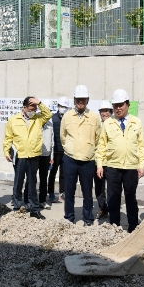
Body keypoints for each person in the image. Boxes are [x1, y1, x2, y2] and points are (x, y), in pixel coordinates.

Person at [96, 89, 144, 232]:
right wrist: (100, 165)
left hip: (131, 167)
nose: (118, 108)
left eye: (121, 105)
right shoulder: (108, 124)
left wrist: (141, 165)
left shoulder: (136, 122)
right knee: (113, 199)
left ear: (127, 105)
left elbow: (142, 145)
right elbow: (102, 145)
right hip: (112, 167)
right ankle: (115, 227)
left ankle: (133, 227)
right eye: (115, 105)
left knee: (131, 198)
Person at [3, 97, 52, 219]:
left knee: (32, 182)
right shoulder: (13, 120)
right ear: (24, 107)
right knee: (18, 181)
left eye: (35, 107)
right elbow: (8, 137)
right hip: (20, 155)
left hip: (34, 155)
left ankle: (33, 207)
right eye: (31, 107)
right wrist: (6, 151)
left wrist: (39, 103)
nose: (34, 110)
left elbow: (49, 114)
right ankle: (17, 206)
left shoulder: (38, 119)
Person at [61, 85, 101, 226]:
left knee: (87, 192)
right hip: (70, 159)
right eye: (78, 99)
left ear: (88, 100)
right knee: (69, 190)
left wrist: (91, 153)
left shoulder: (94, 117)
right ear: (74, 100)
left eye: (83, 99)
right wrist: (69, 148)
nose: (80, 102)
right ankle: (69, 217)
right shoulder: (67, 116)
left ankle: (88, 218)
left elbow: (98, 138)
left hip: (87, 160)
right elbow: (63, 136)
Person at [48, 97, 69, 203]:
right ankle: (51, 193)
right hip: (55, 151)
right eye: (62, 106)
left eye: (65, 107)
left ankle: (62, 193)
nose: (63, 108)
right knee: (52, 173)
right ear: (58, 107)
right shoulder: (53, 118)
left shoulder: (68, 119)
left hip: (65, 151)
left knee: (63, 174)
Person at [94, 100, 112, 220]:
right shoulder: (97, 125)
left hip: (111, 162)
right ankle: (103, 209)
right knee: (99, 188)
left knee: (112, 188)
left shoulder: (114, 125)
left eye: (106, 111)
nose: (104, 113)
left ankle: (112, 209)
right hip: (98, 162)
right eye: (102, 111)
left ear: (111, 112)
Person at [39, 99, 54, 210]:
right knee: (31, 178)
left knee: (44, 179)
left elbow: (52, 141)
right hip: (36, 154)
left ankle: (42, 200)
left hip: (46, 155)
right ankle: (28, 199)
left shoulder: (50, 124)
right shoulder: (37, 120)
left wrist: (52, 156)